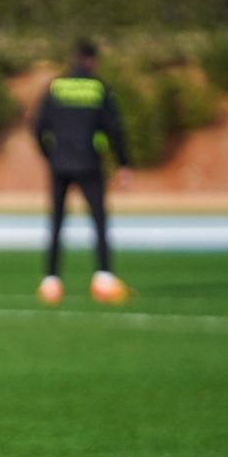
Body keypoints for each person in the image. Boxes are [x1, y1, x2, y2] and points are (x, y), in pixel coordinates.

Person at [30, 38, 132, 306]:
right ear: (92, 60)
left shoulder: (56, 86)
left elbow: (38, 125)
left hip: (60, 163)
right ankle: (103, 279)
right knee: (98, 221)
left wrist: (49, 155)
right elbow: (115, 128)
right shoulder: (98, 88)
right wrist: (122, 163)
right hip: (89, 163)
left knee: (56, 222)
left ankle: (51, 282)